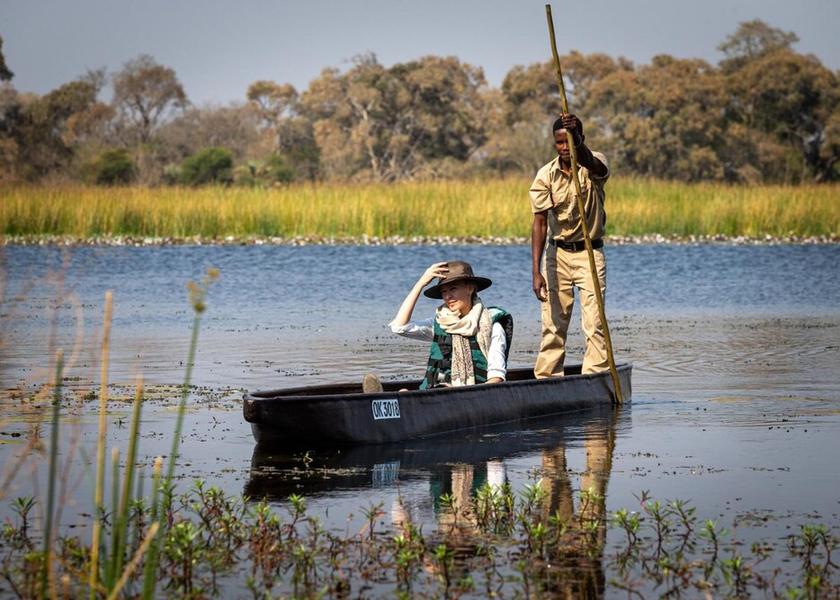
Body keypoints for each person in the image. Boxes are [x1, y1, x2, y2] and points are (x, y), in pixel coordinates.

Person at [530, 113, 610, 378]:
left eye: (570, 142)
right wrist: (536, 271)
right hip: (557, 256)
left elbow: (594, 165)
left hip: (589, 254)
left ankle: (595, 376)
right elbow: (539, 223)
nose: (564, 148)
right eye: (559, 143)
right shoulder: (546, 175)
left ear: (580, 140)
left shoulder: (593, 163)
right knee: (553, 324)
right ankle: (549, 378)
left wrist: (578, 141)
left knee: (594, 323)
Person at [386, 261, 513, 389]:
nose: (447, 296)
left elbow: (496, 376)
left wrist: (464, 392)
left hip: (469, 395)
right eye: (444, 292)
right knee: (403, 392)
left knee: (405, 394)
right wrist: (420, 284)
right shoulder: (440, 323)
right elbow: (399, 327)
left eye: (453, 289)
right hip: (434, 391)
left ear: (470, 288)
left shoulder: (491, 324)